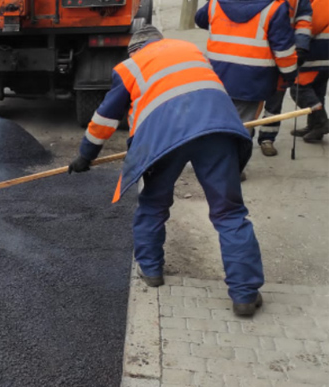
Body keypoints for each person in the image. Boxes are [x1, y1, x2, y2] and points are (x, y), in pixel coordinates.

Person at [67, 26, 265, 317]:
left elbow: (105, 117)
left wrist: (85, 156)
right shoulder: (190, 50)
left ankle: (151, 270)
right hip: (217, 130)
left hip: (163, 139)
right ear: (159, 42)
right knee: (229, 213)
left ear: (134, 50)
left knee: (153, 205)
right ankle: (245, 295)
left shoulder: (129, 66)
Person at [195, 0, 297, 176]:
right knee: (243, 126)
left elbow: (201, 19)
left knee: (219, 121)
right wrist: (290, 75)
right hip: (252, 79)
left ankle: (213, 163)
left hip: (217, 74)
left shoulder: (215, 3)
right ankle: (230, 170)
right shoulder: (274, 8)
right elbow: (284, 50)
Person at [257, 0, 313, 156]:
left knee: (275, 99)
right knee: (247, 103)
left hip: (284, 53)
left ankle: (267, 138)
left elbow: (304, 20)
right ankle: (241, 141)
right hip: (256, 52)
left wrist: (301, 46)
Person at [289, 0, 328, 143]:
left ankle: (321, 122)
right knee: (317, 92)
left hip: (317, 55)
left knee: (299, 88)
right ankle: (314, 127)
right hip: (322, 55)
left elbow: (311, 26)